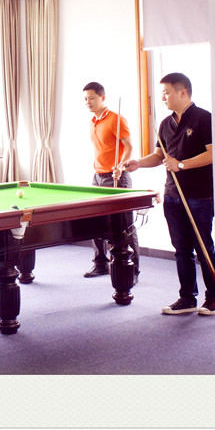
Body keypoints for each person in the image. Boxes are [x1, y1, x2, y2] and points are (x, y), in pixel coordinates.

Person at [121, 72, 215, 316]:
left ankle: (214, 297)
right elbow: (159, 156)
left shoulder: (204, 118)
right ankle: (187, 298)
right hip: (173, 194)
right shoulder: (164, 124)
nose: (162, 97)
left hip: (199, 195)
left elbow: (213, 153)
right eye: (162, 93)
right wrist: (138, 163)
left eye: (166, 93)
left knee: (203, 247)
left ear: (182, 92)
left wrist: (181, 165)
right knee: (181, 249)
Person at [82, 82, 140, 283]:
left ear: (102, 97)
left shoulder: (116, 119)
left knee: (125, 224)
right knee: (96, 221)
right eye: (85, 99)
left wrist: (121, 166)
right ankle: (100, 264)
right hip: (98, 176)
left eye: (91, 98)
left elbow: (129, 147)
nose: (88, 102)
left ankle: (133, 270)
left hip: (117, 177)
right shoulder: (93, 121)